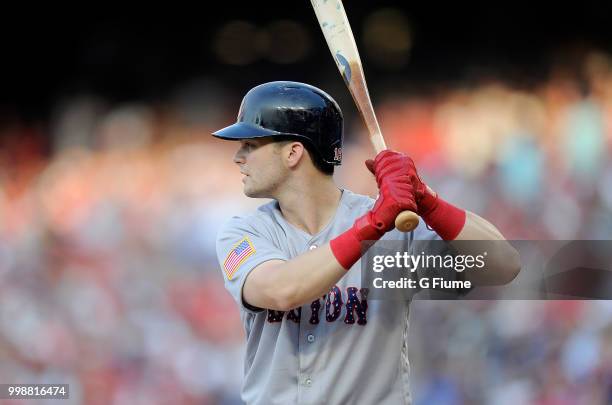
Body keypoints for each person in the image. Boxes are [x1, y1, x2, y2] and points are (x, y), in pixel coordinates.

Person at [213, 81, 520, 404]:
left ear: (293, 152)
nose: (238, 157)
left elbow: (503, 266)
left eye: (250, 144)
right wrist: (371, 226)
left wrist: (427, 200)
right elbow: (281, 290)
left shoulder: (393, 233)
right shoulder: (246, 232)